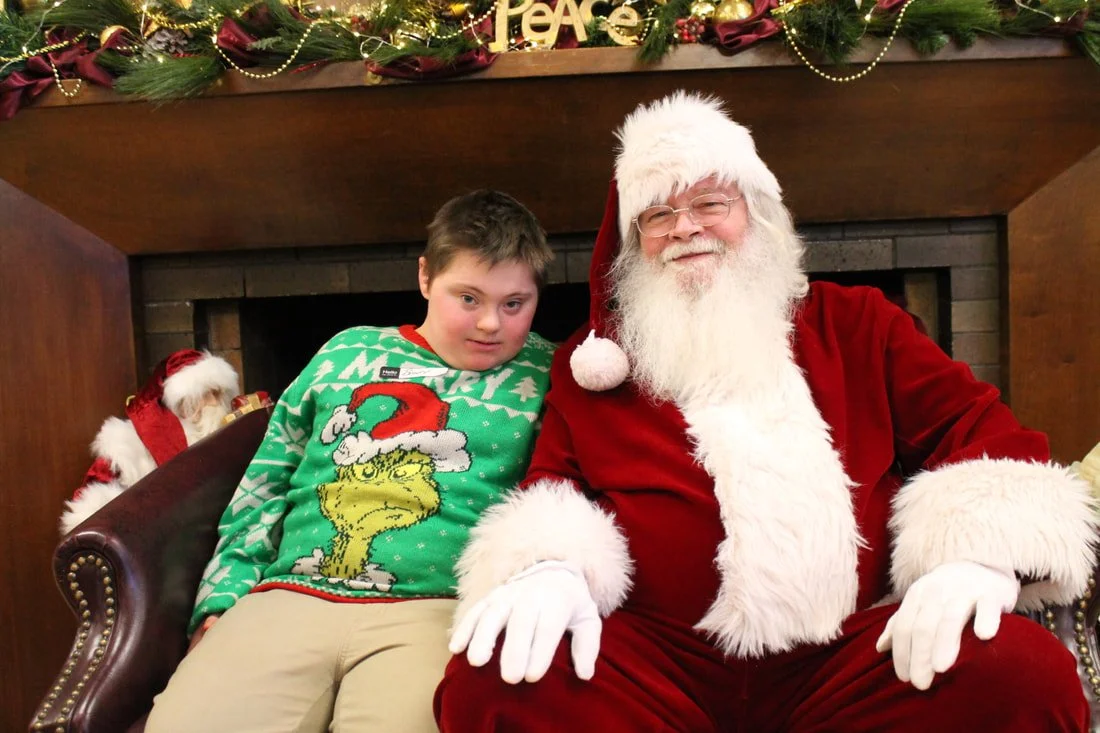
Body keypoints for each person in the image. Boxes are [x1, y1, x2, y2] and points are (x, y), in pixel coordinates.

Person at [436, 92, 1099, 732]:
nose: (685, 228)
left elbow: (979, 427)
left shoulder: (860, 323)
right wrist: (552, 567)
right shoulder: (595, 364)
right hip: (658, 665)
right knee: (493, 678)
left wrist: (972, 558)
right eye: (658, 215)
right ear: (635, 241)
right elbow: (552, 483)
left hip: (846, 657)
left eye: (709, 202)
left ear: (755, 211)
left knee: (1022, 672)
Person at [145, 189, 556, 732]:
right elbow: (266, 482)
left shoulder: (550, 374)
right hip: (291, 594)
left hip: (436, 609)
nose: (489, 324)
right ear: (426, 277)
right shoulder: (345, 351)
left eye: (513, 304)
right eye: (469, 298)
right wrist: (224, 593)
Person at [60, 349, 240, 534]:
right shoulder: (129, 446)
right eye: (207, 394)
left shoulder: (222, 436)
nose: (216, 403)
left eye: (219, 394)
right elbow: (90, 503)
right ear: (183, 402)